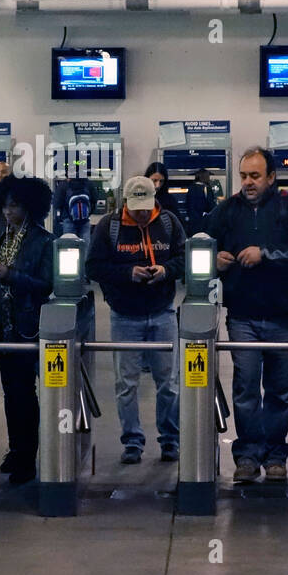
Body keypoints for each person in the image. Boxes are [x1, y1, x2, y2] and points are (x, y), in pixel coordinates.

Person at [203, 146, 288, 484]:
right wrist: (214, 261)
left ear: (271, 177)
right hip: (243, 315)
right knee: (246, 387)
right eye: (243, 176)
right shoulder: (226, 210)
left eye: (255, 176)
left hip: (284, 315)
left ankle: (276, 455)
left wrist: (264, 254)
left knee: (280, 390)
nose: (248, 182)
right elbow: (198, 248)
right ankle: (248, 454)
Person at [85, 175, 187, 464]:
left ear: (155, 199)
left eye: (146, 206)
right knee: (126, 384)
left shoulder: (169, 223)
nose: (142, 213)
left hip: (162, 312)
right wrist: (128, 273)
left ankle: (170, 440)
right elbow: (93, 266)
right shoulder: (110, 226)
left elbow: (185, 258)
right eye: (135, 207)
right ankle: (132, 441)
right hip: (124, 315)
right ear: (125, 202)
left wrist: (166, 270)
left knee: (168, 383)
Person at [0, 174, 55, 485]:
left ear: (30, 207)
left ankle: (27, 457)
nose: (8, 212)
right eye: (5, 206)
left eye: (14, 207)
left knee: (26, 393)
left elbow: (46, 284)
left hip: (29, 325)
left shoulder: (43, 242)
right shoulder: (2, 235)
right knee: (11, 392)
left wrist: (10, 275)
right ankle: (15, 450)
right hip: (4, 325)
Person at [52, 172, 94, 247]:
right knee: (85, 246)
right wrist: (88, 213)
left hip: (68, 220)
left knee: (69, 245)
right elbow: (94, 200)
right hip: (85, 220)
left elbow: (56, 204)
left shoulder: (63, 185)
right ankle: (84, 258)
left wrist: (63, 214)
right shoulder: (88, 183)